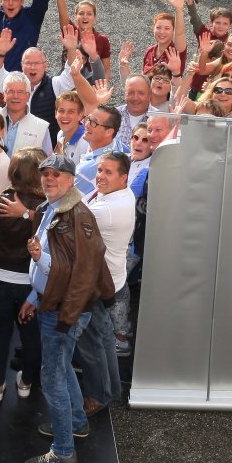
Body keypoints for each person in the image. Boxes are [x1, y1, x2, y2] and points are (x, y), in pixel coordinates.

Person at [22, 153, 113, 463]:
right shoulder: (51, 208)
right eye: (45, 173)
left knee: (52, 378)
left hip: (62, 310)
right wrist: (34, 295)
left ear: (71, 180)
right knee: (61, 368)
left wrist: (66, 318)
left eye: (57, 174)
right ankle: (76, 422)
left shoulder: (79, 215)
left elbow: (82, 273)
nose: (49, 179)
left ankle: (63, 452)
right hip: (52, 304)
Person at [0, 150, 46, 398]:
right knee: (30, 336)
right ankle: (26, 384)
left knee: (2, 333)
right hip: (30, 283)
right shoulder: (45, 207)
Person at [79, 151, 135, 415]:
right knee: (103, 337)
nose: (100, 176)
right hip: (111, 278)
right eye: (99, 170)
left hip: (98, 285)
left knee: (91, 344)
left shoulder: (107, 210)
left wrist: (25, 213)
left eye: (108, 172)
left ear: (124, 178)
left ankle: (98, 396)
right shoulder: (122, 194)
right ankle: (110, 389)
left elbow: (66, 220)